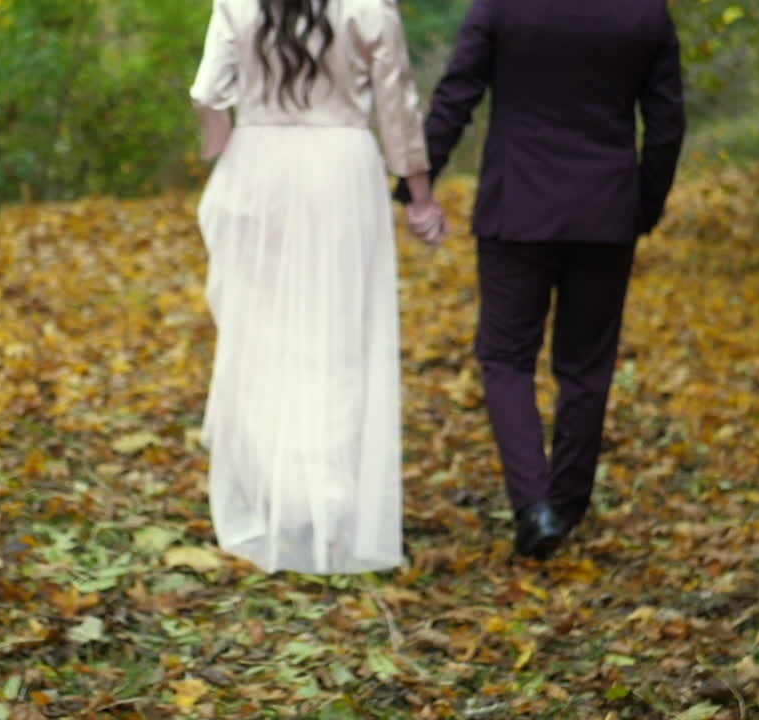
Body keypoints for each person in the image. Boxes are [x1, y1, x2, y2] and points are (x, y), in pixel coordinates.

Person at [396, 0, 687, 560]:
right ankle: (566, 505)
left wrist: (420, 180)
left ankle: (535, 507)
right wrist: (641, 205)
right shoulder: (645, 12)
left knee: (505, 358)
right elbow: (668, 123)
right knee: (586, 365)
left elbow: (458, 94)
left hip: (517, 206)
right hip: (605, 212)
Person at [189, 0, 448, 574]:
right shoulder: (369, 6)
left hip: (258, 166)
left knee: (261, 334)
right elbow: (398, 104)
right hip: (339, 171)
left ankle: (282, 489)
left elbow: (206, 92)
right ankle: (330, 499)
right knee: (339, 336)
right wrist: (420, 195)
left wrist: (225, 151)